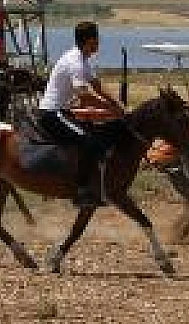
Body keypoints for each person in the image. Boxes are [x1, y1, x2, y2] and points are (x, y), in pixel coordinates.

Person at [36, 20, 125, 207]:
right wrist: (111, 109)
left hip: (63, 112)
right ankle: (81, 190)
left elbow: (98, 88)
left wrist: (117, 103)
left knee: (97, 133)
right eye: (97, 39)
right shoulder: (75, 62)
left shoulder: (84, 60)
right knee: (88, 142)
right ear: (90, 41)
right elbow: (84, 96)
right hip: (52, 114)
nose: (99, 43)